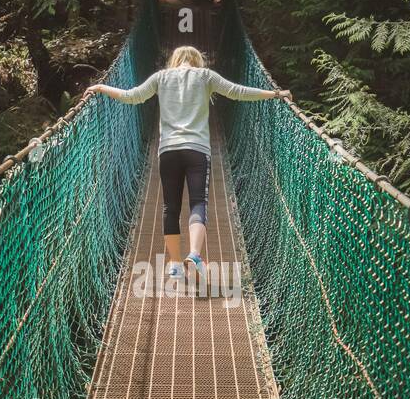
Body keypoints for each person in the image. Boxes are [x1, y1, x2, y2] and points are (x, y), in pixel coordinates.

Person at [83, 46, 290, 279]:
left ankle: (174, 264)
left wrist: (101, 87)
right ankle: (193, 254)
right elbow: (238, 91)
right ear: (196, 61)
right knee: (197, 203)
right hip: (197, 150)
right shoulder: (205, 76)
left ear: (175, 60)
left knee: (170, 208)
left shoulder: (160, 77)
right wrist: (274, 94)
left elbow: (132, 97)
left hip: (168, 151)